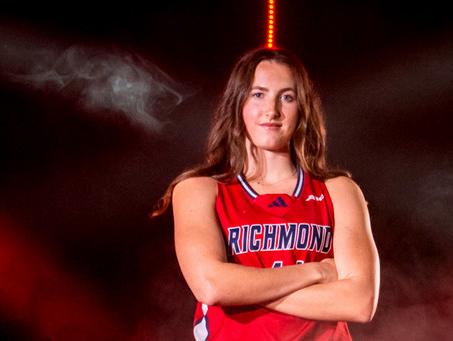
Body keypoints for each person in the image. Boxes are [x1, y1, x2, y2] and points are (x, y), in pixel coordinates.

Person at [152, 47, 379, 340]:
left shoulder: (339, 191)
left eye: (287, 97)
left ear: (302, 109)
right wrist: (318, 273)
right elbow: (211, 286)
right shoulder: (199, 190)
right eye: (258, 94)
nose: (271, 110)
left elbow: (359, 303)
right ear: (238, 103)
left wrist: (241, 288)